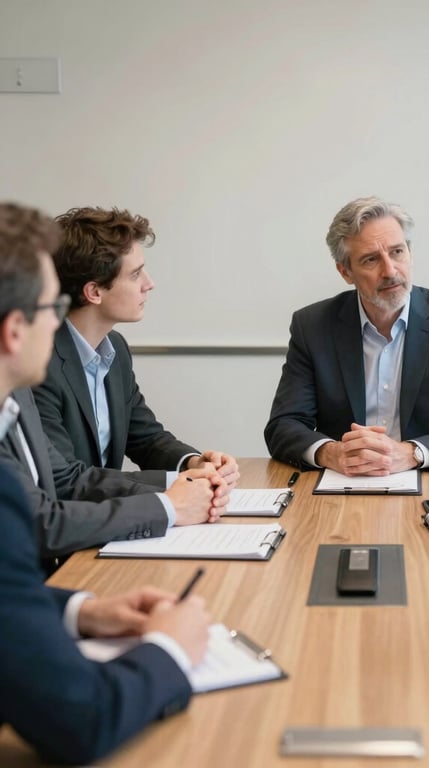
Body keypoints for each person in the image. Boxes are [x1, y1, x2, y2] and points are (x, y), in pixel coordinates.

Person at [0, 201, 211, 764]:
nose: (60, 319)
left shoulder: (17, 396)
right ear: (16, 331)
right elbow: (82, 721)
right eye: (51, 307)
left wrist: (80, 611)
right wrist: (170, 648)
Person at [264, 196, 429, 475]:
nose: (390, 271)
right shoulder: (312, 326)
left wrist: (411, 453)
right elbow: (283, 426)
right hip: (342, 484)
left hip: (427, 482)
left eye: (397, 252)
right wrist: (332, 453)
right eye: (371, 259)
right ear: (345, 272)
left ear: (409, 253)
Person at [32, 206, 239, 485]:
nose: (149, 284)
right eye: (135, 274)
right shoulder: (38, 364)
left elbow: (146, 438)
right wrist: (177, 486)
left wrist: (194, 463)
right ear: (94, 292)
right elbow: (65, 481)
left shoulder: (114, 349)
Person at [0, 385, 228, 565]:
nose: (55, 331)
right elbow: (38, 524)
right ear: (15, 331)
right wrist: (169, 507)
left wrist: (184, 483)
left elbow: (66, 480)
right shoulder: (32, 382)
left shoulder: (18, 391)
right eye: (49, 324)